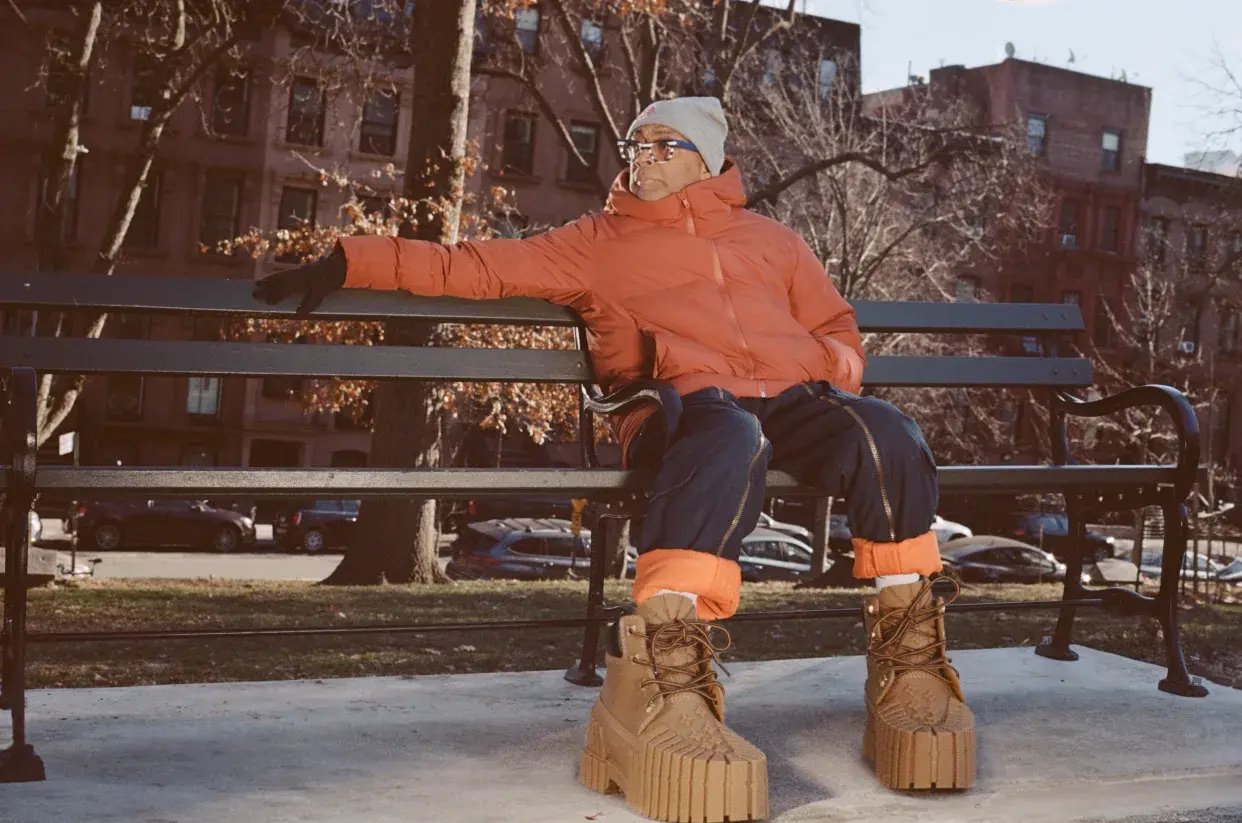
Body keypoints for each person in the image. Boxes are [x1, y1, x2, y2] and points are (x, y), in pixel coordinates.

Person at [256, 96, 975, 822]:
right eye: (637, 144)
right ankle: (667, 666)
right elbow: (471, 265)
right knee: (732, 437)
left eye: (666, 144)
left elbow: (837, 327)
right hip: (686, 408)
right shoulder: (596, 240)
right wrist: (351, 259)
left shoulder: (773, 241)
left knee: (888, 432)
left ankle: (908, 650)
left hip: (791, 401)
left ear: (707, 157)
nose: (645, 156)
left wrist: (822, 364)